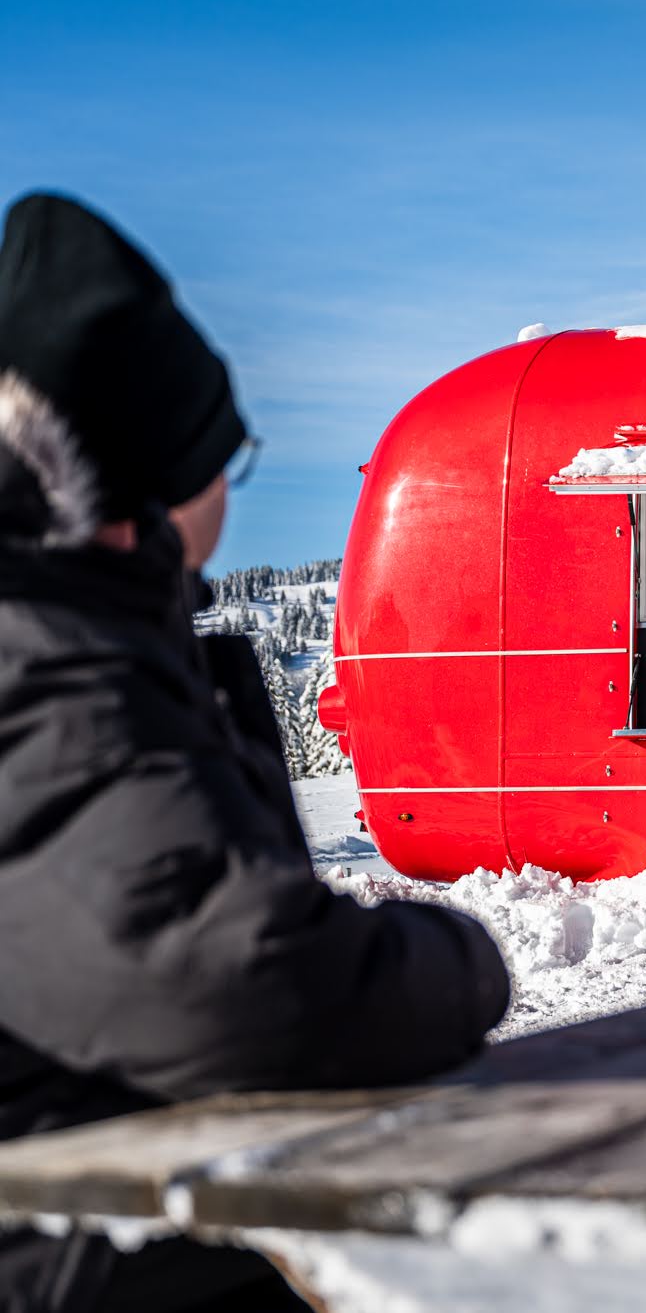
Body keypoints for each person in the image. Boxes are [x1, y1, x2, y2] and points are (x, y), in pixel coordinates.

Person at [0, 194, 513, 1310]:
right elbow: (243, 982)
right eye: (226, 459)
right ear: (138, 493)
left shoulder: (69, 636)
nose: (231, 491)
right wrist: (468, 959)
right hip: (84, 1262)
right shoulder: (40, 673)